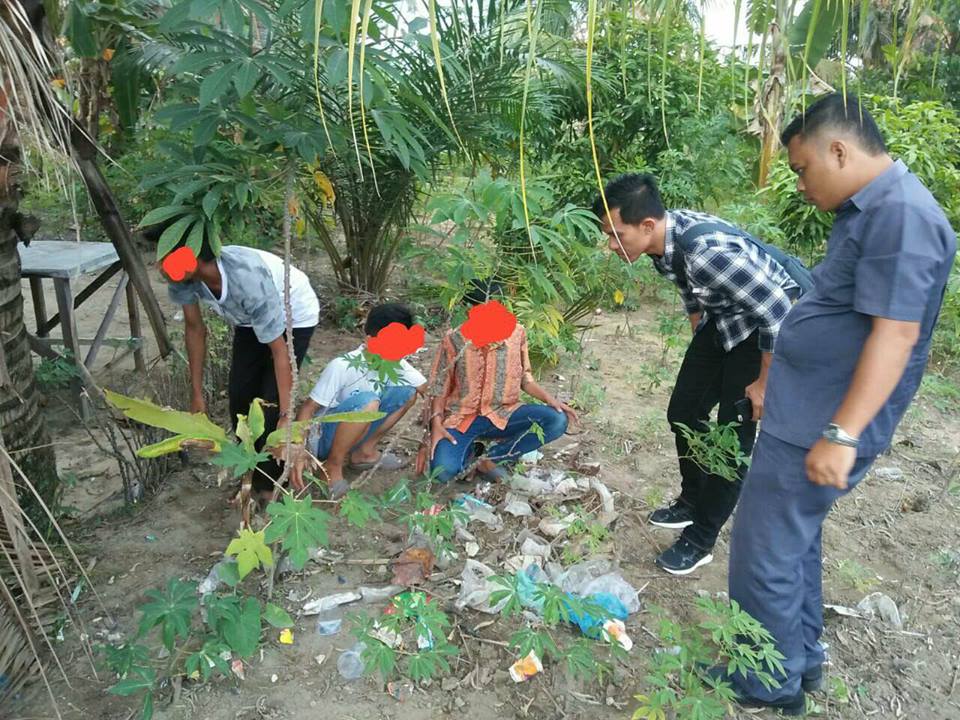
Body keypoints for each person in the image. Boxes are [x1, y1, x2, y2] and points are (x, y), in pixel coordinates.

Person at [722, 94, 956, 715]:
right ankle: (797, 661)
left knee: (764, 548)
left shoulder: (902, 216)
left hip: (820, 420)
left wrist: (843, 432)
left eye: (801, 168)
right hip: (808, 409)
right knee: (789, 541)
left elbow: (897, 334)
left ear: (839, 149)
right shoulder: (869, 211)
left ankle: (764, 682)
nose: (800, 183)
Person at [593, 173, 808, 575]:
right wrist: (701, 337)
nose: (611, 245)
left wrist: (764, 383)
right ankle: (692, 501)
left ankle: (701, 539)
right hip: (725, 320)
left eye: (616, 234)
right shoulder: (662, 245)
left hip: (764, 331)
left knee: (733, 437)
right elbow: (690, 289)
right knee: (683, 411)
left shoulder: (706, 252)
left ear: (647, 226)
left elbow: (778, 311)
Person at [157, 236, 320, 497]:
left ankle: (271, 488)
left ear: (193, 257)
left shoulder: (247, 281)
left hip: (293, 312)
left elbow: (280, 353)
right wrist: (197, 394)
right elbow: (194, 328)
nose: (159, 267)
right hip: (248, 319)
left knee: (270, 404)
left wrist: (287, 417)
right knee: (241, 396)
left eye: (165, 258)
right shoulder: (181, 277)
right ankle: (250, 471)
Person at [424, 282, 578, 483]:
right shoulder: (454, 339)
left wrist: (550, 399)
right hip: (462, 418)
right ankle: (472, 451)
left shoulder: (517, 334)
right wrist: (435, 426)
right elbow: (439, 387)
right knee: (443, 473)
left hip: (504, 414)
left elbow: (526, 379)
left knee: (557, 420)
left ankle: (492, 459)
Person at [291, 303, 426, 498]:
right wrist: (297, 448)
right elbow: (308, 408)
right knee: (369, 403)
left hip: (356, 430)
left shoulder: (396, 363)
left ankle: (364, 452)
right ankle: (331, 467)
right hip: (322, 439)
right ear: (370, 337)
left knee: (407, 393)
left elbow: (425, 389)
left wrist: (432, 430)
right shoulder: (342, 366)